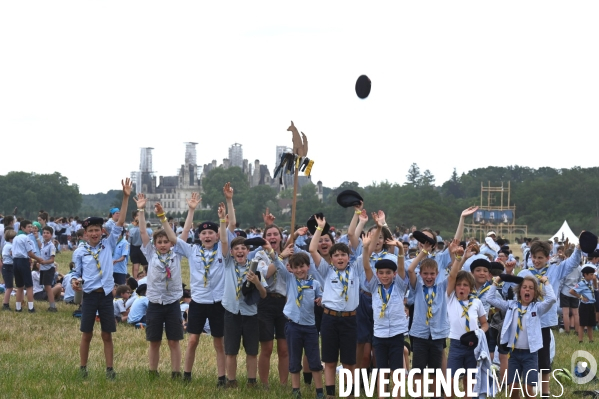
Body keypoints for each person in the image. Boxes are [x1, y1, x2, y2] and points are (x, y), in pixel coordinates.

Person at [70, 178, 132, 379]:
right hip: (89, 295)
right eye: (91, 231)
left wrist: (125, 197)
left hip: (106, 296)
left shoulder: (109, 244)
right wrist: (74, 281)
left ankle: (109, 369)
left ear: (102, 231)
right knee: (86, 334)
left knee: (107, 334)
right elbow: (75, 272)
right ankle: (82, 368)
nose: (95, 233)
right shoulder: (80, 251)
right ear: (85, 234)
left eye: (97, 230)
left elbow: (120, 222)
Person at [176, 188, 235, 386]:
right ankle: (186, 375)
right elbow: (176, 237)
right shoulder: (193, 251)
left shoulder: (223, 253)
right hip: (198, 302)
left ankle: (221, 378)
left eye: (211, 233)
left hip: (218, 302)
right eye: (204, 233)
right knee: (193, 340)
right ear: (199, 236)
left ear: (217, 236)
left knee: (219, 342)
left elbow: (228, 233)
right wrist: (190, 211)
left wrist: (223, 218)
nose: (207, 235)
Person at [309, 214, 365, 399]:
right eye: (336, 255)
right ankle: (331, 394)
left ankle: (349, 394)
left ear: (349, 257)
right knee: (330, 360)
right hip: (330, 319)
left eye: (343, 255)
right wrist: (319, 228)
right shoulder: (326, 270)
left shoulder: (355, 269)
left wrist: (363, 222)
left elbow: (366, 251)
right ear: (331, 258)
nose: (340, 258)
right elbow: (312, 249)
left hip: (349, 319)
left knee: (349, 361)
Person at [517, 239, 581, 397]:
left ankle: (545, 392)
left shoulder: (555, 270)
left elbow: (572, 263)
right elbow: (512, 294)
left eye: (540, 257)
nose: (536, 260)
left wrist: (579, 248)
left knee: (544, 359)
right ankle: (527, 389)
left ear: (547, 257)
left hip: (544, 322)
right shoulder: (524, 274)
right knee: (525, 356)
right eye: (534, 257)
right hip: (526, 322)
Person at [135, 195, 185, 379]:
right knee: (154, 340)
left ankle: (176, 372)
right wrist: (141, 210)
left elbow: (184, 232)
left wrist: (166, 217)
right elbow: (142, 233)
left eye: (166, 242)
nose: (163, 245)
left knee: (174, 341)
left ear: (171, 243)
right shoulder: (150, 254)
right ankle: (153, 372)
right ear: (155, 244)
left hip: (172, 303)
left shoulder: (177, 253)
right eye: (160, 242)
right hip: (155, 303)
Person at [221, 200, 268, 389]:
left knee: (251, 351)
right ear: (231, 253)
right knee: (230, 350)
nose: (240, 252)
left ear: (248, 252)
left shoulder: (255, 267)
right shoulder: (228, 263)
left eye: (243, 249)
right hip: (231, 312)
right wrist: (222, 221)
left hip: (250, 313)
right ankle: (231, 381)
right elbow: (224, 239)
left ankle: (251, 381)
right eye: (236, 249)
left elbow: (264, 295)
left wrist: (257, 282)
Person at [361, 214, 409, 397]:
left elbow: (403, 269)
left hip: (396, 332)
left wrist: (401, 251)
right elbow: (366, 267)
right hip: (379, 334)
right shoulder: (374, 286)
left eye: (388, 272)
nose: (385, 276)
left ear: (394, 274)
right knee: (381, 370)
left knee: (396, 370)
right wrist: (366, 249)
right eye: (381, 273)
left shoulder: (399, 286)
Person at [488, 275, 555, 399]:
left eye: (531, 288)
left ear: (535, 292)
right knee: (513, 388)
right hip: (513, 354)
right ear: (519, 291)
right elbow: (490, 298)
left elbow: (551, 299)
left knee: (528, 389)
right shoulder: (510, 305)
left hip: (530, 354)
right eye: (524, 287)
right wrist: (496, 281)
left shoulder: (537, 308)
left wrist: (546, 282)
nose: (527, 290)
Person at [275, 252, 324, 399]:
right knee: (294, 359)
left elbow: (321, 296)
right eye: (295, 267)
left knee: (314, 359)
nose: (299, 270)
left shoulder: (314, 284)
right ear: (291, 268)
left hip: (310, 327)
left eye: (302, 266)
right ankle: (296, 390)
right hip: (293, 326)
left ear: (308, 267)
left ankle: (319, 391)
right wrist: (282, 256)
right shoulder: (289, 279)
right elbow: (278, 265)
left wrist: (321, 299)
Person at [445, 244, 488, 398]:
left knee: (469, 382)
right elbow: (452, 275)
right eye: (459, 285)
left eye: (465, 285)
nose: (461, 288)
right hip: (456, 344)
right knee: (450, 381)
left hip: (473, 346)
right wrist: (461, 259)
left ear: (471, 288)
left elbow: (485, 324)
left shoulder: (476, 302)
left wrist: (478, 333)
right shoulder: (450, 299)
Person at [13, 220, 44, 313]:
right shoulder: (26, 238)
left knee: (19, 286)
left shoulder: (15, 238)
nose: (30, 228)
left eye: (31, 226)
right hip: (23, 261)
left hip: (15, 261)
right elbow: (30, 253)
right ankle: (31, 307)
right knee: (29, 285)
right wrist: (39, 259)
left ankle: (18, 307)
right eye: (28, 227)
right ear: (22, 228)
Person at [570, 265, 597, 344]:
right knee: (583, 323)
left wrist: (595, 280)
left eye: (593, 274)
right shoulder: (581, 283)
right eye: (591, 274)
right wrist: (581, 297)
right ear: (585, 274)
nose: (592, 276)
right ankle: (580, 340)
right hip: (585, 305)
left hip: (592, 304)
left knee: (590, 324)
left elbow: (596, 288)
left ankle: (591, 340)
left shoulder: (591, 282)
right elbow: (571, 291)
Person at [39, 226, 59, 311]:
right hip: (43, 268)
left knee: (48, 287)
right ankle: (52, 305)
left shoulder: (52, 246)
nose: (45, 234)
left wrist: (44, 262)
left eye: (47, 233)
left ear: (51, 235)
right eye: (44, 233)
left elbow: (52, 260)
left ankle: (53, 306)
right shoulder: (43, 244)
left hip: (48, 269)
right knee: (46, 287)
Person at [128, 210, 148, 277]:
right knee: (136, 267)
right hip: (137, 248)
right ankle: (136, 280)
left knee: (144, 266)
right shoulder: (132, 227)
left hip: (139, 248)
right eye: (138, 215)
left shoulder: (132, 228)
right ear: (134, 217)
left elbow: (129, 241)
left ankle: (144, 279)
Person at [2, 230, 16, 310]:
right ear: (11, 239)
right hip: (8, 267)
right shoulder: (10, 247)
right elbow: (14, 255)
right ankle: (5, 304)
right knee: (9, 287)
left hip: (7, 267)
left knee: (9, 286)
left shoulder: (6, 245)